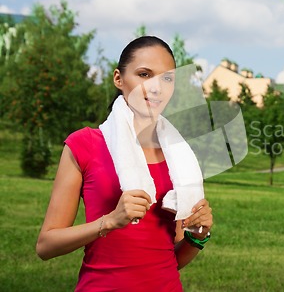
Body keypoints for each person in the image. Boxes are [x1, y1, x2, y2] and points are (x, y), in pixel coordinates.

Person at [36, 36, 213, 292]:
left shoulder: (179, 157)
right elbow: (45, 246)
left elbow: (169, 260)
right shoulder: (85, 145)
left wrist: (196, 237)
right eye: (144, 74)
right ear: (118, 79)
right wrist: (109, 221)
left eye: (167, 79)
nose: (156, 87)